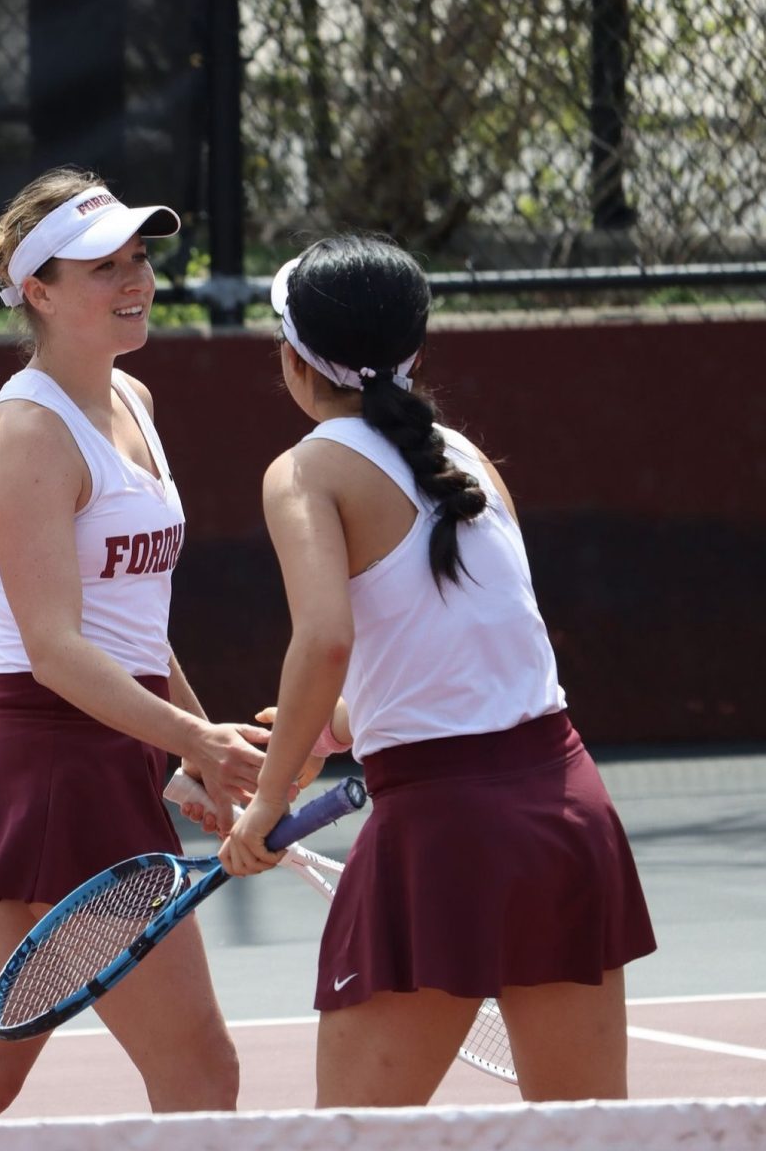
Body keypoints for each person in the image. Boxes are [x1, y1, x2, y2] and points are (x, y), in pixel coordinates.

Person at [218, 233, 656, 1107]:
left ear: (292, 359)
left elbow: (324, 640)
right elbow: (470, 635)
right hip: (564, 810)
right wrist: (336, 732)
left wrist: (267, 804)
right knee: (590, 1134)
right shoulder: (462, 456)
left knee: (353, 1135)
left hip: (444, 830)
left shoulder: (302, 470)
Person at [0, 167, 268, 1121]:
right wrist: (195, 742)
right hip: (50, 765)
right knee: (201, 1074)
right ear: (39, 292)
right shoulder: (25, 434)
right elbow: (52, 649)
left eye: (138, 257)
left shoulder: (133, 402)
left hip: (95, 758)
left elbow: (134, 627)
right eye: (104, 266)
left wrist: (191, 748)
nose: (135, 278)